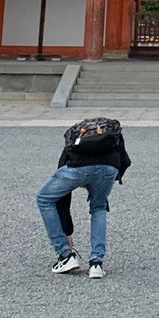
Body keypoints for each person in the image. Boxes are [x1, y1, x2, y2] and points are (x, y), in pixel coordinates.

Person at [35, 116, 131, 278]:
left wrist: (67, 233)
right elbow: (124, 161)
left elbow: (62, 197)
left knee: (44, 198)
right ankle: (96, 264)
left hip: (77, 167)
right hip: (110, 167)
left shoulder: (75, 136)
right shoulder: (112, 133)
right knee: (99, 207)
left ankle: (65, 256)